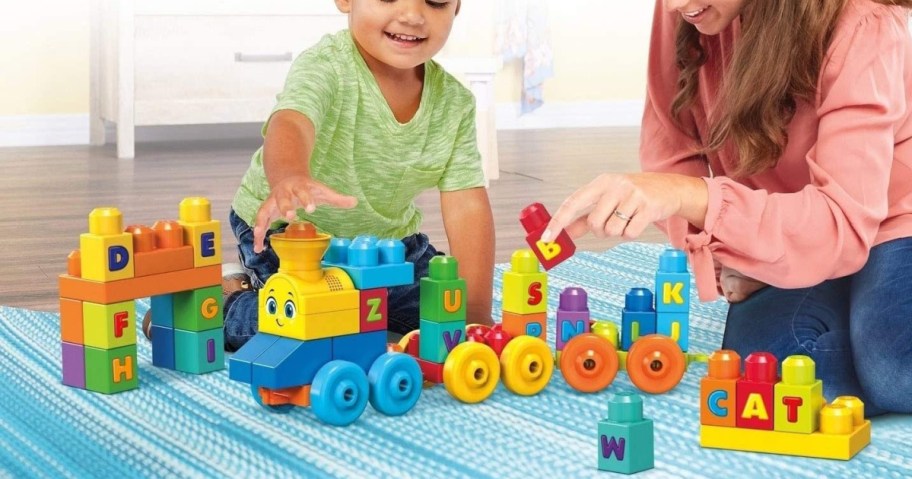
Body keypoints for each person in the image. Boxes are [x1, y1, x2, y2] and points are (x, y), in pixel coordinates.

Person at [541, 0, 912, 416]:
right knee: (785, 377)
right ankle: (850, 298)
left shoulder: (862, 22)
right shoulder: (686, 9)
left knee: (894, 371)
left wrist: (696, 199)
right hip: (784, 225)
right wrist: (727, 251)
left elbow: (839, 224)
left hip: (889, 219)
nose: (676, 5)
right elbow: (671, 149)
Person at [145, 0, 495, 350]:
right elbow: (292, 122)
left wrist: (475, 310)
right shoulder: (327, 65)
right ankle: (214, 305)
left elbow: (467, 204)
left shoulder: (455, 103)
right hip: (293, 237)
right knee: (318, 328)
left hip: (387, 248)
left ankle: (319, 299)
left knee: (443, 315)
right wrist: (289, 177)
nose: (413, 15)